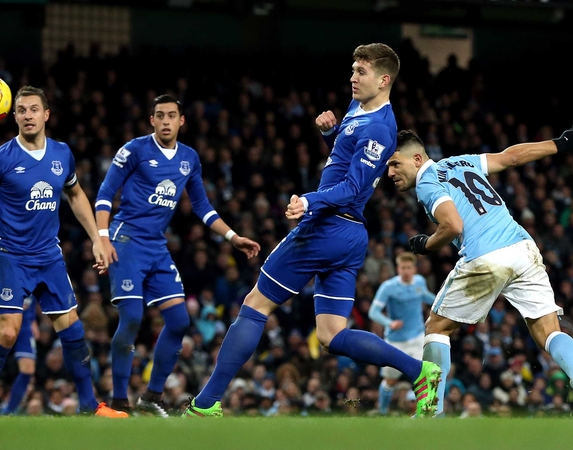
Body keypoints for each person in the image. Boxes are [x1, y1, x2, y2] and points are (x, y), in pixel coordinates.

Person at [185, 43, 441, 419]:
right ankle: (421, 372)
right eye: (352, 70)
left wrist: (309, 201)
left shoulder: (380, 128)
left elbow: (354, 187)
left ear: (384, 80)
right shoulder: (358, 110)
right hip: (348, 236)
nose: (353, 77)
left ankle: (205, 404)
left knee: (255, 305)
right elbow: (345, 161)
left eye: (362, 72)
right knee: (331, 335)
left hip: (327, 226)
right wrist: (331, 134)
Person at [386, 124, 573, 416]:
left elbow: (452, 225)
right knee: (548, 331)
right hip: (523, 248)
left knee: (437, 327)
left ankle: (430, 411)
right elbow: (510, 157)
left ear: (416, 159)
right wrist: (558, 144)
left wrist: (427, 244)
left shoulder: (427, 182)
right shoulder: (462, 161)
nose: (389, 173)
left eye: (394, 163)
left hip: (485, 256)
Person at [0, 85, 127, 419]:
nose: (28, 115)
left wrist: (97, 238)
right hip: (10, 255)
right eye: (21, 110)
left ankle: (92, 405)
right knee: (6, 332)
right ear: (13, 115)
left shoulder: (62, 154)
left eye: (34, 109)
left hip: (48, 255)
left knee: (72, 327)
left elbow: (75, 195)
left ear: (46, 115)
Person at [94, 94, 260, 417]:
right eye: (160, 115)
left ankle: (151, 396)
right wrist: (102, 239)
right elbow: (103, 194)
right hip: (125, 240)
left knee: (180, 321)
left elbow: (202, 207)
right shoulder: (133, 150)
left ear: (182, 121)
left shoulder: (189, 158)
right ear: (152, 121)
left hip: (156, 246)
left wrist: (233, 236)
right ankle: (117, 401)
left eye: (172, 115)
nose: (166, 121)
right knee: (131, 317)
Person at [368, 252, 436, 414]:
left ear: (414, 269)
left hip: (418, 337)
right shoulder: (388, 287)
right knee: (390, 380)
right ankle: (383, 411)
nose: (406, 271)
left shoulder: (419, 282)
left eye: (409, 268)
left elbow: (425, 296)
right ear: (398, 269)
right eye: (403, 267)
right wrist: (389, 323)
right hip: (396, 341)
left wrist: (441, 301)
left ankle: (427, 412)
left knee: (425, 375)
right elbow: (373, 312)